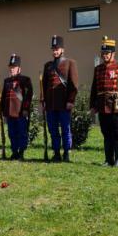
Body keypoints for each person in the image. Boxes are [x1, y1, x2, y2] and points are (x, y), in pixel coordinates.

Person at [90, 36, 118, 168]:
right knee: (106, 134)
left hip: (116, 106)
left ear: (113, 53)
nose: (105, 55)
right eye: (103, 53)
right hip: (102, 105)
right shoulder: (98, 69)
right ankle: (109, 160)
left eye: (107, 53)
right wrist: (92, 106)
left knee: (117, 133)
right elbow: (94, 89)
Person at [41, 34, 78, 162]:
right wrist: (43, 101)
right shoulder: (48, 66)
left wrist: (70, 100)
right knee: (53, 130)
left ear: (62, 49)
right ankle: (56, 152)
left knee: (65, 129)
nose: (55, 51)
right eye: (53, 49)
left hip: (64, 103)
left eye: (57, 49)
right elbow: (44, 85)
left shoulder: (70, 63)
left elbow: (73, 85)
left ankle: (66, 152)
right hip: (51, 104)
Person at [0, 54, 33, 160]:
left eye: (14, 67)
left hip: (20, 111)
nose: (12, 69)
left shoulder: (25, 80)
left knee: (22, 133)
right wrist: (2, 110)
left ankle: (21, 152)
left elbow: (28, 95)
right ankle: (14, 151)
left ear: (19, 68)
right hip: (9, 112)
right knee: (12, 133)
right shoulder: (7, 81)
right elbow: (3, 97)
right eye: (10, 67)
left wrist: (25, 109)